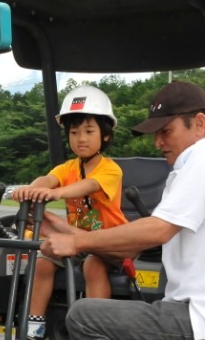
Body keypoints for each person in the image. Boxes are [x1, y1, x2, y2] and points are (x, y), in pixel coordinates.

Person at [39, 81, 205, 340]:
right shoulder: (195, 166)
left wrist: (77, 242)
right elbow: (135, 246)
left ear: (199, 124)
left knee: (83, 316)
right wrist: (65, 230)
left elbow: (158, 229)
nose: (158, 142)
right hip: (198, 314)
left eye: (166, 131)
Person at [11, 84, 128, 340]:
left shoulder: (110, 170)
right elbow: (47, 179)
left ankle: (95, 329)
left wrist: (57, 194)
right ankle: (34, 329)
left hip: (110, 242)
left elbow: (88, 185)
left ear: (105, 135)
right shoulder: (67, 168)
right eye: (74, 132)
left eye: (89, 131)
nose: (81, 138)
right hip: (74, 241)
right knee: (42, 260)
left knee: (94, 265)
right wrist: (29, 189)